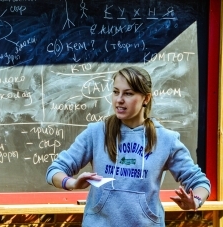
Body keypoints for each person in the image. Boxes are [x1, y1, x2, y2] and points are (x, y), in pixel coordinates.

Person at [46, 66, 211, 226]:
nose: (119, 100)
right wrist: (72, 184)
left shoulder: (166, 140)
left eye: (128, 94)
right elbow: (54, 171)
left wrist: (195, 201)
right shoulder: (95, 133)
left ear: (146, 98)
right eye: (116, 92)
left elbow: (200, 183)